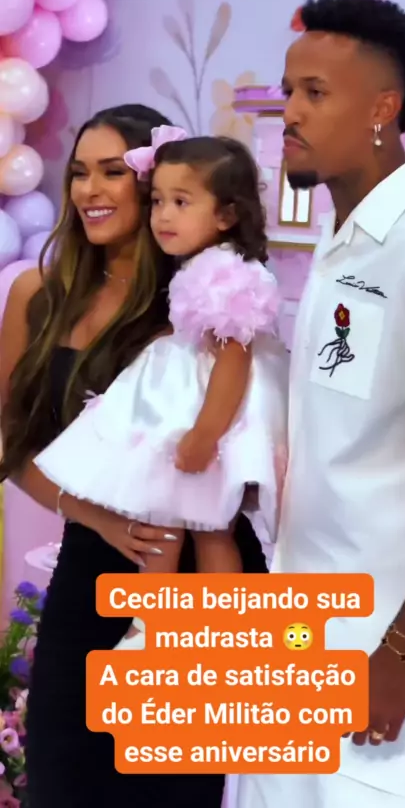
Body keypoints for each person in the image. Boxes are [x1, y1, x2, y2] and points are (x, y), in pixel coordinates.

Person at [236, 0, 405, 808]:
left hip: (392, 667)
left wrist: (401, 652)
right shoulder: (343, 243)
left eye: (315, 92)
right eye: (288, 90)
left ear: (381, 109)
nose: (290, 112)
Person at [0, 103, 267, 808]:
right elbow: (11, 443)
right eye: (78, 172)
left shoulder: (194, 299)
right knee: (63, 780)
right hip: (90, 572)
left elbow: (247, 427)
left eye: (112, 172)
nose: (90, 190)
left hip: (197, 580)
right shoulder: (37, 295)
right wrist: (97, 517)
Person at [34, 126, 289, 650]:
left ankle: (206, 623)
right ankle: (156, 620)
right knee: (173, 514)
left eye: (180, 202)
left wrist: (206, 433)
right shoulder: (199, 265)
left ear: (227, 215)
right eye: (157, 201)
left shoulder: (223, 273)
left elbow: (233, 360)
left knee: (205, 525)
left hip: (204, 409)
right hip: (186, 395)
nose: (163, 216)